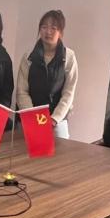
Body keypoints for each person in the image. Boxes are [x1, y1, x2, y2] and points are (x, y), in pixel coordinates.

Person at [16, 10, 78, 138]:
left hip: (57, 121)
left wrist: (54, 119)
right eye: (44, 27)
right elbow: (22, 91)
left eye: (53, 28)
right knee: (26, 149)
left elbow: (68, 93)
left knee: (59, 150)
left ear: (60, 32)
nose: (48, 32)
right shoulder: (28, 56)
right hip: (30, 117)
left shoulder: (69, 56)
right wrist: (33, 116)